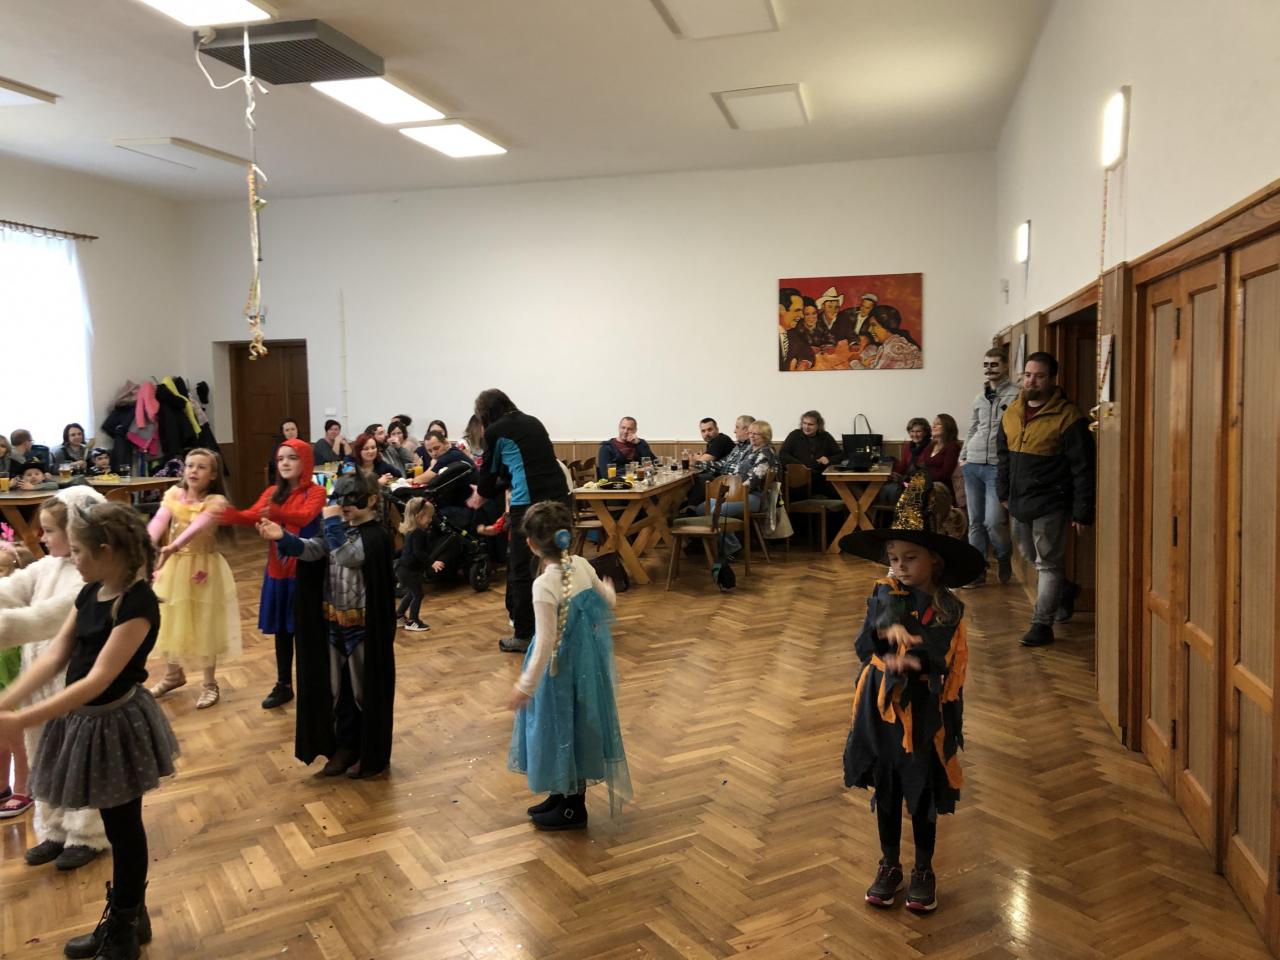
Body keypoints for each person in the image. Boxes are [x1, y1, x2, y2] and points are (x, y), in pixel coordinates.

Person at [0, 501, 180, 960]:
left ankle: (124, 928)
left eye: (78, 551)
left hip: (116, 726)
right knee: (119, 825)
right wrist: (7, 701)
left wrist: (22, 719)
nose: (70, 558)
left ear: (106, 551)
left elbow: (98, 679)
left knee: (124, 827)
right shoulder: (89, 592)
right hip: (84, 721)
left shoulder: (137, 604)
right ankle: (132, 916)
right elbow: (54, 657)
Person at [838, 474, 985, 913]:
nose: (900, 567)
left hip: (923, 714)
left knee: (920, 792)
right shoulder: (885, 594)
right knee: (886, 790)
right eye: (893, 559)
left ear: (934, 561)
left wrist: (910, 656)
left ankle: (923, 868)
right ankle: (889, 863)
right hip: (879, 710)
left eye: (910, 558)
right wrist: (887, 627)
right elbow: (865, 645)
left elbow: (937, 658)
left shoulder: (947, 607)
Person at [259, 471, 396, 779]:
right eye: (340, 497)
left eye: (353, 498)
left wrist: (332, 522)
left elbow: (348, 557)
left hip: (364, 629)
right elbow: (314, 550)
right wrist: (283, 538)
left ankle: (368, 752)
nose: (345, 504)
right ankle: (344, 746)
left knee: (364, 692)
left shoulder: (376, 536)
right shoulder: (337, 530)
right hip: (333, 625)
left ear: (371, 500)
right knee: (338, 691)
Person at [0, 488, 111, 868]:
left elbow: (39, 620)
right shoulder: (47, 566)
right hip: (39, 683)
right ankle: (53, 828)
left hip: (72, 686)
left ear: (78, 531)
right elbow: (10, 591)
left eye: (49, 531)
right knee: (43, 756)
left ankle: (87, 833)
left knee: (78, 759)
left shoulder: (90, 575)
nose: (42, 538)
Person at [505, 500, 631, 830]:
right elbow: (609, 600)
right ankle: (561, 793)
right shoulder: (581, 565)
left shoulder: (543, 585)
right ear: (569, 537)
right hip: (585, 666)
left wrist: (525, 686)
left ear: (531, 544)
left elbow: (545, 643)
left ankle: (574, 808)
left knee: (562, 728)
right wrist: (609, 587)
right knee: (576, 727)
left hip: (557, 672)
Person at [997, 351, 1095, 647]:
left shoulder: (1069, 417)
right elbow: (1003, 457)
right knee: (1030, 555)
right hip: (1019, 503)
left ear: (1052, 379)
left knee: (1048, 563)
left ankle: (1042, 624)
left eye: (1039, 376)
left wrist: (1082, 511)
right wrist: (1003, 492)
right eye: (1027, 375)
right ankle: (1064, 590)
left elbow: (1083, 468)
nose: (1031, 381)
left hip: (1051, 503)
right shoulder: (1011, 413)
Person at [221, 439, 326, 709]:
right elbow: (251, 516)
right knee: (282, 632)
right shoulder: (271, 492)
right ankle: (284, 685)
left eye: (292, 457)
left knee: (306, 632)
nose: (285, 463)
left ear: (305, 461)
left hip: (305, 572)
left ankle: (312, 686)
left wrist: (275, 511)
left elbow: (303, 517)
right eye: (280, 459)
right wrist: (227, 515)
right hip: (277, 572)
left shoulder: (316, 492)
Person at [471, 389, 569, 654]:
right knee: (558, 561)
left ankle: (525, 634)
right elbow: (512, 471)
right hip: (559, 497)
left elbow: (488, 479)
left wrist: (480, 495)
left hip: (529, 504)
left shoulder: (495, 431)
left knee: (520, 568)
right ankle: (564, 624)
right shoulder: (533, 422)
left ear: (485, 414)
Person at [146, 449, 241, 710]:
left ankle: (210, 683)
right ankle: (173, 674)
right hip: (173, 567)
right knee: (168, 618)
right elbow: (159, 520)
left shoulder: (217, 501)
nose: (193, 471)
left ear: (213, 475)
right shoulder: (174, 494)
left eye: (201, 467)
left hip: (203, 567)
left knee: (205, 622)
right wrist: (145, 543)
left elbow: (198, 526)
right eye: (190, 465)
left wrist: (173, 546)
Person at [959, 348, 1020, 587]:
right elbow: (973, 428)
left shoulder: (1016, 395)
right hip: (973, 464)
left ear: (1005, 366)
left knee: (993, 521)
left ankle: (1003, 556)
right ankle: (977, 572)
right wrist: (963, 457)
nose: (989, 369)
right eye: (986, 364)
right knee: (975, 522)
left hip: (998, 466)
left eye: (994, 364)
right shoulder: (979, 398)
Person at [696, 420, 779, 560]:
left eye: (756, 434)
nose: (752, 436)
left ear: (765, 436)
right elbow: (734, 472)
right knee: (702, 508)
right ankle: (716, 547)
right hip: (738, 493)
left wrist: (731, 493)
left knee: (716, 510)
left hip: (755, 497)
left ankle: (732, 548)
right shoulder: (748, 450)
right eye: (750, 433)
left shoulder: (766, 453)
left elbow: (753, 482)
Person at [395, 498, 465, 632]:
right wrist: (432, 563)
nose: (431, 520)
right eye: (429, 517)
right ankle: (413, 621)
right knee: (418, 595)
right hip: (409, 571)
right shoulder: (418, 533)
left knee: (411, 593)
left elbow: (406, 551)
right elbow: (418, 553)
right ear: (419, 516)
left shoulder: (411, 531)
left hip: (405, 570)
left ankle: (399, 616)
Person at [780, 410, 843, 496]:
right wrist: (801, 466)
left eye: (810, 424)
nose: (806, 427)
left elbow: (840, 455)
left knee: (841, 490)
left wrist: (829, 459)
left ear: (818, 425)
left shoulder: (825, 437)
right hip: (798, 479)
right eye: (804, 423)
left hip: (819, 478)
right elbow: (783, 454)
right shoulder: (794, 435)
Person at [857, 305, 923, 370]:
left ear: (886, 326)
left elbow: (878, 375)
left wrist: (857, 364)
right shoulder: (895, 343)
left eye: (874, 325)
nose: (869, 330)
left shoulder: (893, 349)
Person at [925, 414, 962, 488]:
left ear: (948, 427)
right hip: (927, 483)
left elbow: (945, 474)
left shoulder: (952, 447)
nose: (933, 426)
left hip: (941, 486)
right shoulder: (931, 445)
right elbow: (924, 466)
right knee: (906, 486)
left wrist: (925, 478)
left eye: (938, 424)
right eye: (933, 424)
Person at [778, 287, 806, 371]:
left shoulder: (792, 334)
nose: (802, 316)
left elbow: (806, 350)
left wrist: (804, 363)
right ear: (781, 309)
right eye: (797, 310)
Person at [267, 418, 301, 485]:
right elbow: (276, 467)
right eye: (287, 430)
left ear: (297, 430)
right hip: (282, 480)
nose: (291, 432)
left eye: (293, 429)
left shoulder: (303, 445)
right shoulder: (278, 448)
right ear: (283, 433)